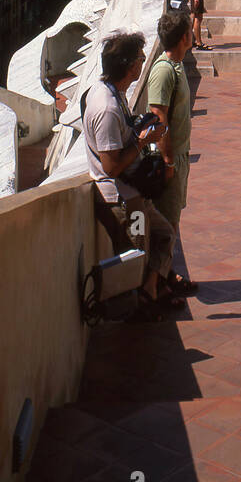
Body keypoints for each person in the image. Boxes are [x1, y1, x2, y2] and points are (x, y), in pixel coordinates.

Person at [81, 31, 180, 318]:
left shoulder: (114, 94)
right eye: (139, 58)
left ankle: (150, 290)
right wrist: (142, 142)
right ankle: (135, 315)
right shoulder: (107, 108)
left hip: (133, 194)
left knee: (164, 236)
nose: (142, 62)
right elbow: (110, 166)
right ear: (128, 65)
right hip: (120, 200)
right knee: (135, 255)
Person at [147, 11, 199, 297]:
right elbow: (158, 120)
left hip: (179, 156)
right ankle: (155, 288)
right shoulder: (164, 70)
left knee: (173, 221)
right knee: (166, 224)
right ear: (183, 38)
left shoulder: (176, 66)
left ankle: (166, 276)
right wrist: (167, 162)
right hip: (169, 160)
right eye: (190, 32)